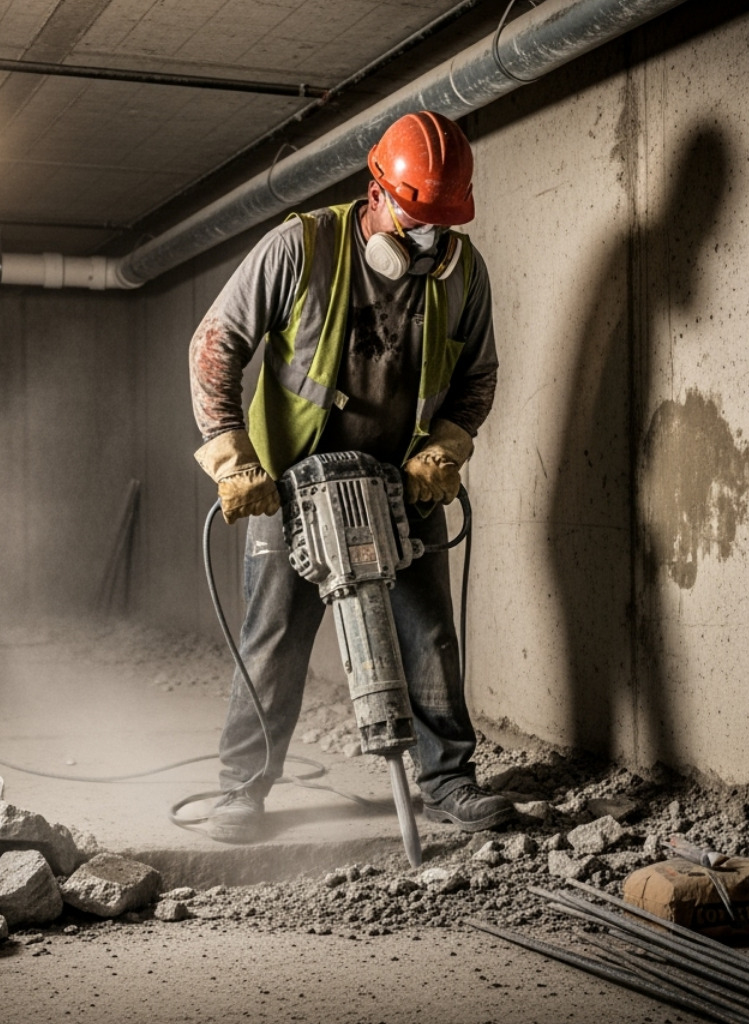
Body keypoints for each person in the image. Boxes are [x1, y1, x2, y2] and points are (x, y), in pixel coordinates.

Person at [187, 110, 513, 843]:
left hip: (403, 483)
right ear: (377, 195)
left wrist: (444, 450)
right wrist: (234, 460)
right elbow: (215, 344)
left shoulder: (463, 273)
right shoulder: (300, 248)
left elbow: (478, 377)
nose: (430, 243)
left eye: (443, 227)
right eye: (417, 223)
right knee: (273, 636)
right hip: (289, 485)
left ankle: (448, 781)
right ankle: (241, 788)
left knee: (429, 634)